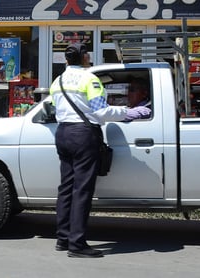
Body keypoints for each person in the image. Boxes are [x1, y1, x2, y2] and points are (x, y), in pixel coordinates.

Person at [49, 43, 150, 258]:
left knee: (66, 187)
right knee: (82, 190)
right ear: (84, 58)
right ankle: (77, 245)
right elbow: (101, 112)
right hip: (83, 135)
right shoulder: (89, 79)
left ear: (67, 60)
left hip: (63, 133)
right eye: (88, 54)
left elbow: (52, 108)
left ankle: (63, 239)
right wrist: (128, 112)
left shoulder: (58, 81)